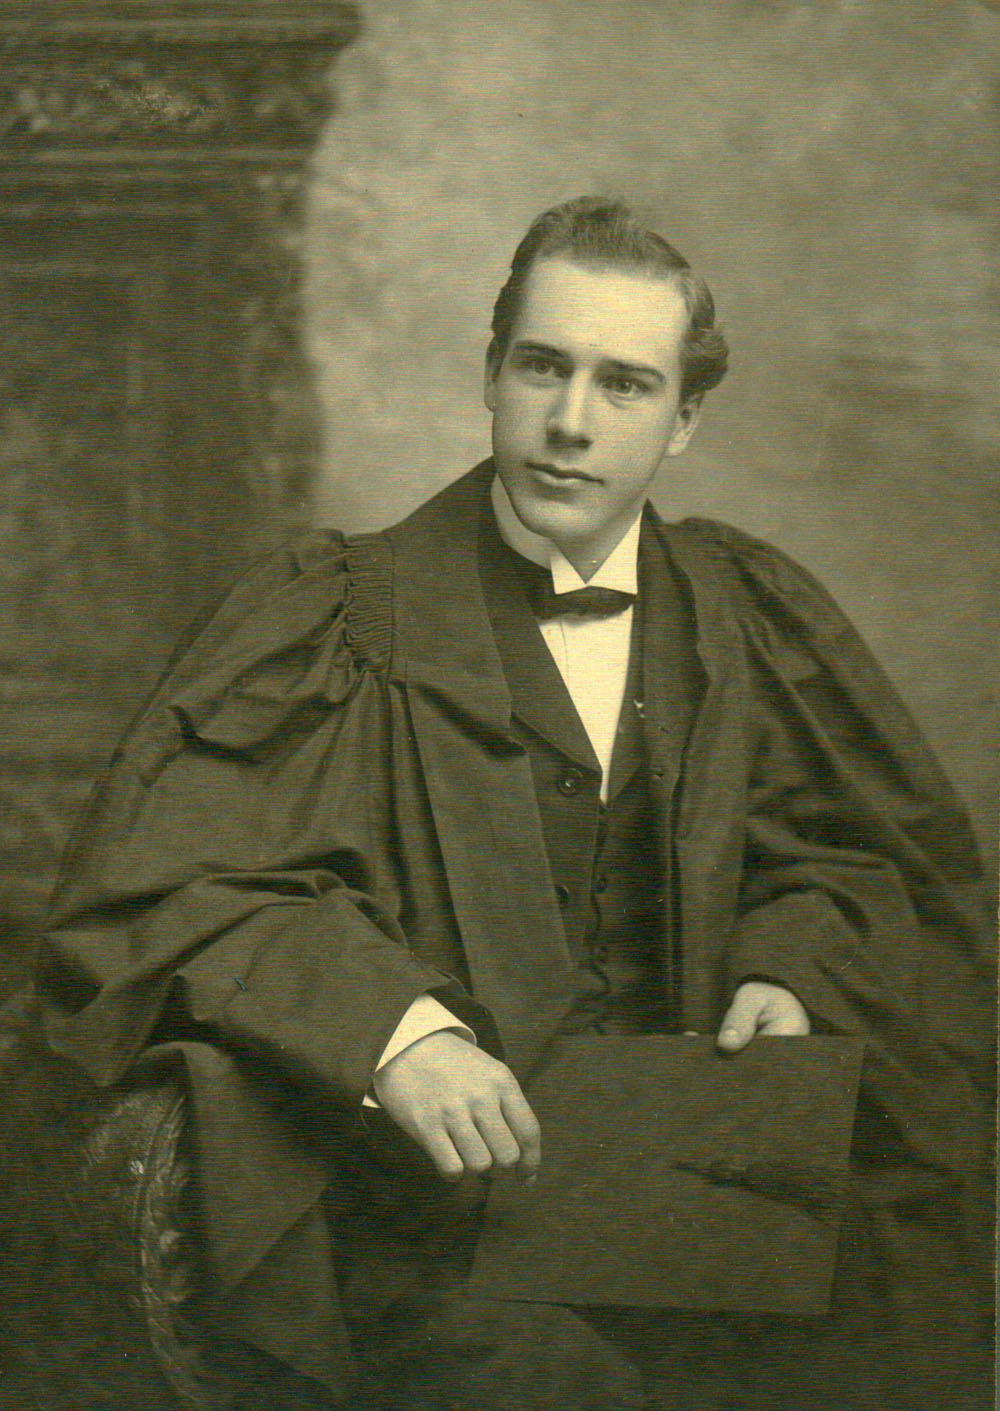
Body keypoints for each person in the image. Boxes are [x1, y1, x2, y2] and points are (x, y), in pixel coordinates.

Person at [35, 198, 994, 1410]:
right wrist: (398, 1036)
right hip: (436, 1217)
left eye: (624, 385)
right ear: (491, 374)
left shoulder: (746, 614)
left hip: (703, 1187)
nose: (570, 423)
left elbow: (848, 854)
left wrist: (789, 969)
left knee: (874, 1344)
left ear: (684, 420)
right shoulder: (338, 618)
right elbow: (177, 886)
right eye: (543, 367)